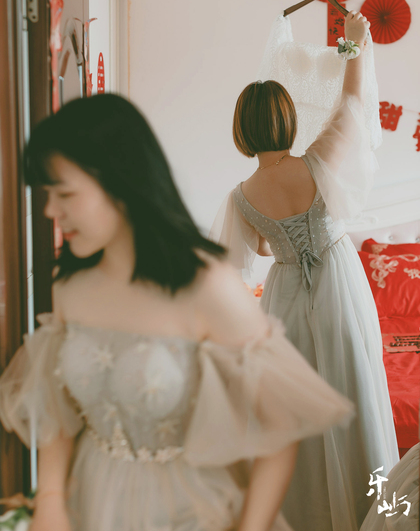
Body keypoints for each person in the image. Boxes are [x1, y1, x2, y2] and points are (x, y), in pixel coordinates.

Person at [0, 94, 352, 531]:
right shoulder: (68, 288)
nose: (50, 211)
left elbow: (280, 430)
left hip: (186, 508)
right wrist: (51, 500)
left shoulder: (207, 286)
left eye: (64, 194)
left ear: (120, 182)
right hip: (91, 499)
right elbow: (57, 414)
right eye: (47, 195)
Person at [211, 12, 399, 531]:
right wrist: (354, 46)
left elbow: (251, 254)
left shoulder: (241, 197)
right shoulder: (315, 163)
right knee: (354, 389)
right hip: (339, 288)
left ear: (242, 130)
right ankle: (371, 509)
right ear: (287, 120)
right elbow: (353, 105)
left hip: (285, 299)